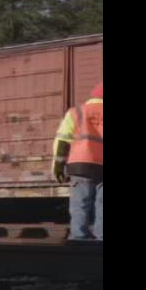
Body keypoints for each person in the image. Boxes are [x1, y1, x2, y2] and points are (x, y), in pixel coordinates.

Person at [53, 82, 102, 241]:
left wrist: (58, 166)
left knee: (80, 203)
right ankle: (101, 238)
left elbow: (62, 140)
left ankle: (79, 238)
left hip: (80, 164)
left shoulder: (77, 112)